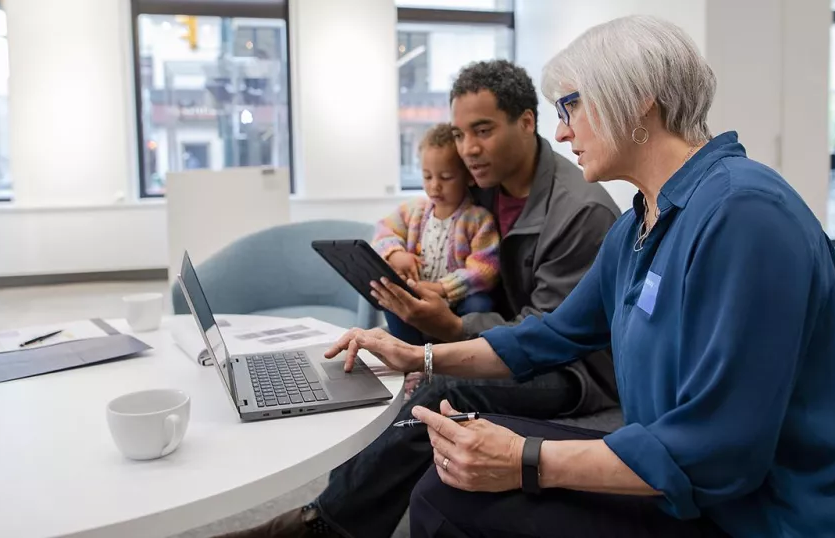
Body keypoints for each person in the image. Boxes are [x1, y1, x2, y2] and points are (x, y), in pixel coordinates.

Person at [326, 16, 835, 538]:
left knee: (452, 500)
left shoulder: (745, 215)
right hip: (678, 481)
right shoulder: (639, 223)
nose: (563, 134)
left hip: (763, 515)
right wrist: (421, 357)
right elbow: (547, 336)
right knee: (447, 473)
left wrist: (523, 459)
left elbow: (721, 452)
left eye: (570, 107)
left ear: (637, 98)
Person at [225, 60, 621, 538]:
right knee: (391, 370)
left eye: (483, 130)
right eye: (458, 134)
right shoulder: (481, 187)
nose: (468, 150)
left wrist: (449, 333)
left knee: (435, 393)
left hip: (573, 372)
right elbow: (419, 227)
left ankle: (327, 527)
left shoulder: (579, 211)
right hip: (509, 339)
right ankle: (336, 507)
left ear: (527, 122)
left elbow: (550, 336)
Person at [374, 122, 500, 353]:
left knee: (481, 304)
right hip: (417, 295)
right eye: (427, 176)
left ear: (469, 177)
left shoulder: (478, 219)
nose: (434, 186)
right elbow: (383, 231)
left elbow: (484, 270)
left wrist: (441, 289)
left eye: (446, 177)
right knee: (390, 301)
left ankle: (454, 357)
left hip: (457, 302)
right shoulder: (414, 211)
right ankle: (411, 355)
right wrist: (396, 253)